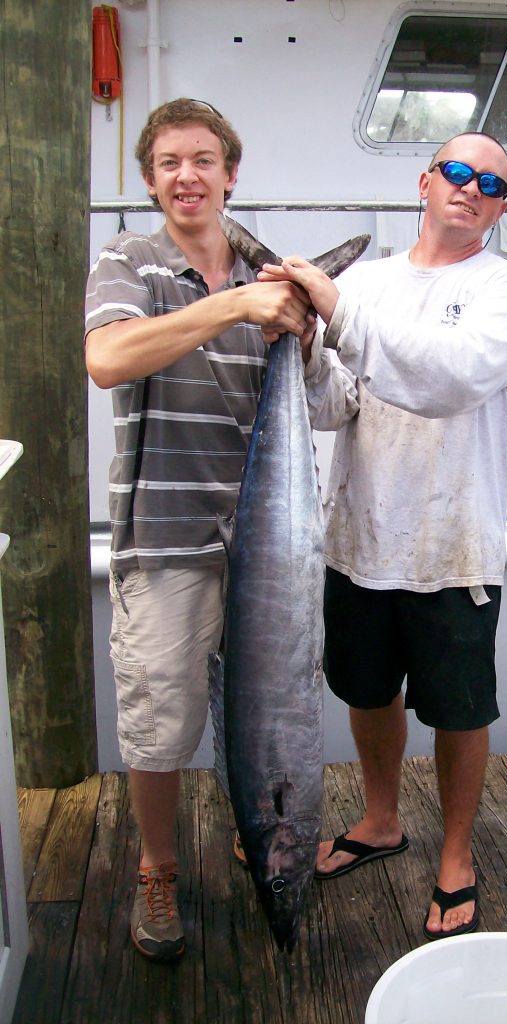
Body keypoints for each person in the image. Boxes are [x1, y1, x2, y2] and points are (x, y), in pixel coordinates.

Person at [84, 98, 356, 961]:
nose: (186, 176)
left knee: (267, 710)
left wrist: (305, 330)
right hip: (166, 537)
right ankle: (158, 867)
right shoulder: (130, 260)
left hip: (271, 550)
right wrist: (238, 307)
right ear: (150, 179)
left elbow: (337, 406)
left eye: (202, 160)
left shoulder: (269, 285)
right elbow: (108, 360)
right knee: (161, 720)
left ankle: (255, 823)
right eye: (168, 163)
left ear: (229, 173)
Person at [257, 131, 507, 940]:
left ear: (500, 206)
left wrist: (334, 311)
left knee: (457, 709)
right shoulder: (370, 280)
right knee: (367, 691)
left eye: (490, 182)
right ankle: (380, 819)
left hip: (454, 545)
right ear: (424, 182)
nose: (471, 187)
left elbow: (447, 378)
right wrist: (308, 345)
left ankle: (456, 855)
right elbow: (333, 406)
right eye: (456, 172)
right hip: (358, 536)